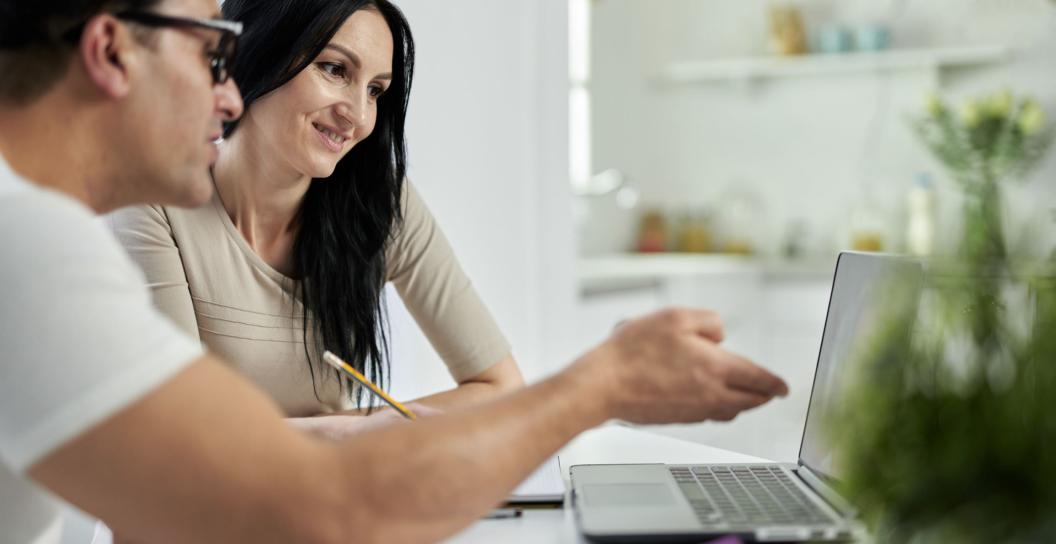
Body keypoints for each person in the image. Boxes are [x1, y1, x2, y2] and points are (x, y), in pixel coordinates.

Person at [0, 1, 789, 543]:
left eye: (375, 88)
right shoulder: (31, 252)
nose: (227, 92)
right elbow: (289, 503)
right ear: (109, 51)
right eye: (211, 53)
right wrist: (601, 384)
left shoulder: (31, 235)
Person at [106, 0, 524, 438]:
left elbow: (500, 387)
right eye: (335, 70)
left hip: (323, 496)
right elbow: (179, 434)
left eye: (375, 91)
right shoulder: (153, 198)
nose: (359, 117)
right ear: (261, 51)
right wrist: (339, 434)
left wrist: (341, 431)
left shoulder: (379, 201)